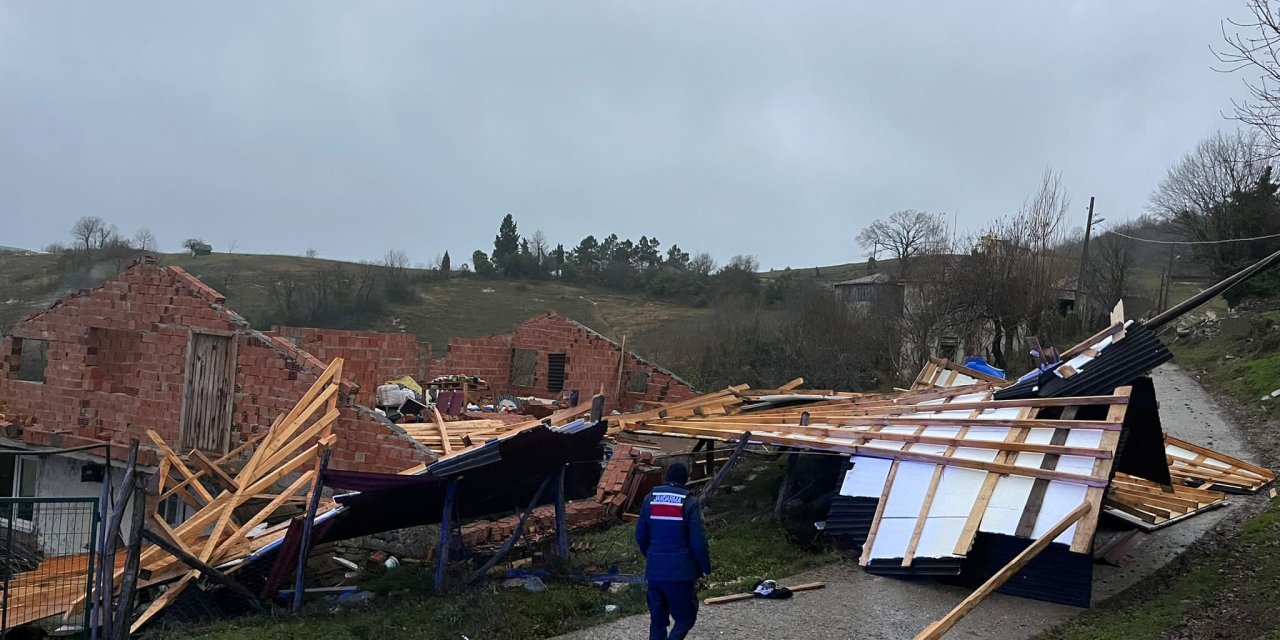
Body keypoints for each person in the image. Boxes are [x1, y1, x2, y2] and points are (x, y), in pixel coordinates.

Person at [634, 463, 711, 640]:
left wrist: (651, 555)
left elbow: (640, 534)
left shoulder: (650, 499)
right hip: (681, 574)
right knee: (685, 618)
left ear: (666, 478)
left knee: (658, 621)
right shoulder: (689, 502)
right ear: (686, 480)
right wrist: (705, 567)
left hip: (655, 572)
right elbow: (698, 542)